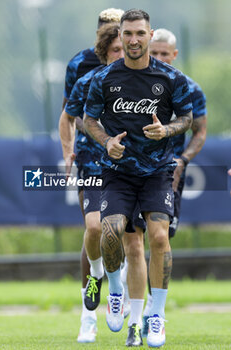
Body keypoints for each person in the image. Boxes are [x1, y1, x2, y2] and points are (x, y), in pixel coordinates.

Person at [83, 9, 192, 348]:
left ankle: (156, 315)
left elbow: (187, 117)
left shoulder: (172, 78)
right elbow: (89, 120)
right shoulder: (104, 77)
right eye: (127, 34)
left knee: (159, 238)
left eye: (139, 34)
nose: (133, 40)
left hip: (158, 171)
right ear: (121, 34)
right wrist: (107, 142)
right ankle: (115, 288)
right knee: (110, 231)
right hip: (117, 172)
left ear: (150, 34)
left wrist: (167, 130)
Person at [61, 8, 124, 343]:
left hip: (128, 163)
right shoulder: (81, 69)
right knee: (95, 226)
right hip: (90, 156)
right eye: (111, 35)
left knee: (124, 231)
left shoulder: (139, 73)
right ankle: (94, 291)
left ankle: (122, 291)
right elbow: (67, 114)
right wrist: (67, 152)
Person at [141, 28, 207, 336]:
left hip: (170, 174)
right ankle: (137, 300)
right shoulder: (136, 83)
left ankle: (152, 307)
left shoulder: (189, 89)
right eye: (156, 53)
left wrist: (183, 160)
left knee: (161, 239)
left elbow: (200, 133)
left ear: (175, 55)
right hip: (135, 171)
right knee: (133, 236)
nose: (160, 58)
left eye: (166, 54)